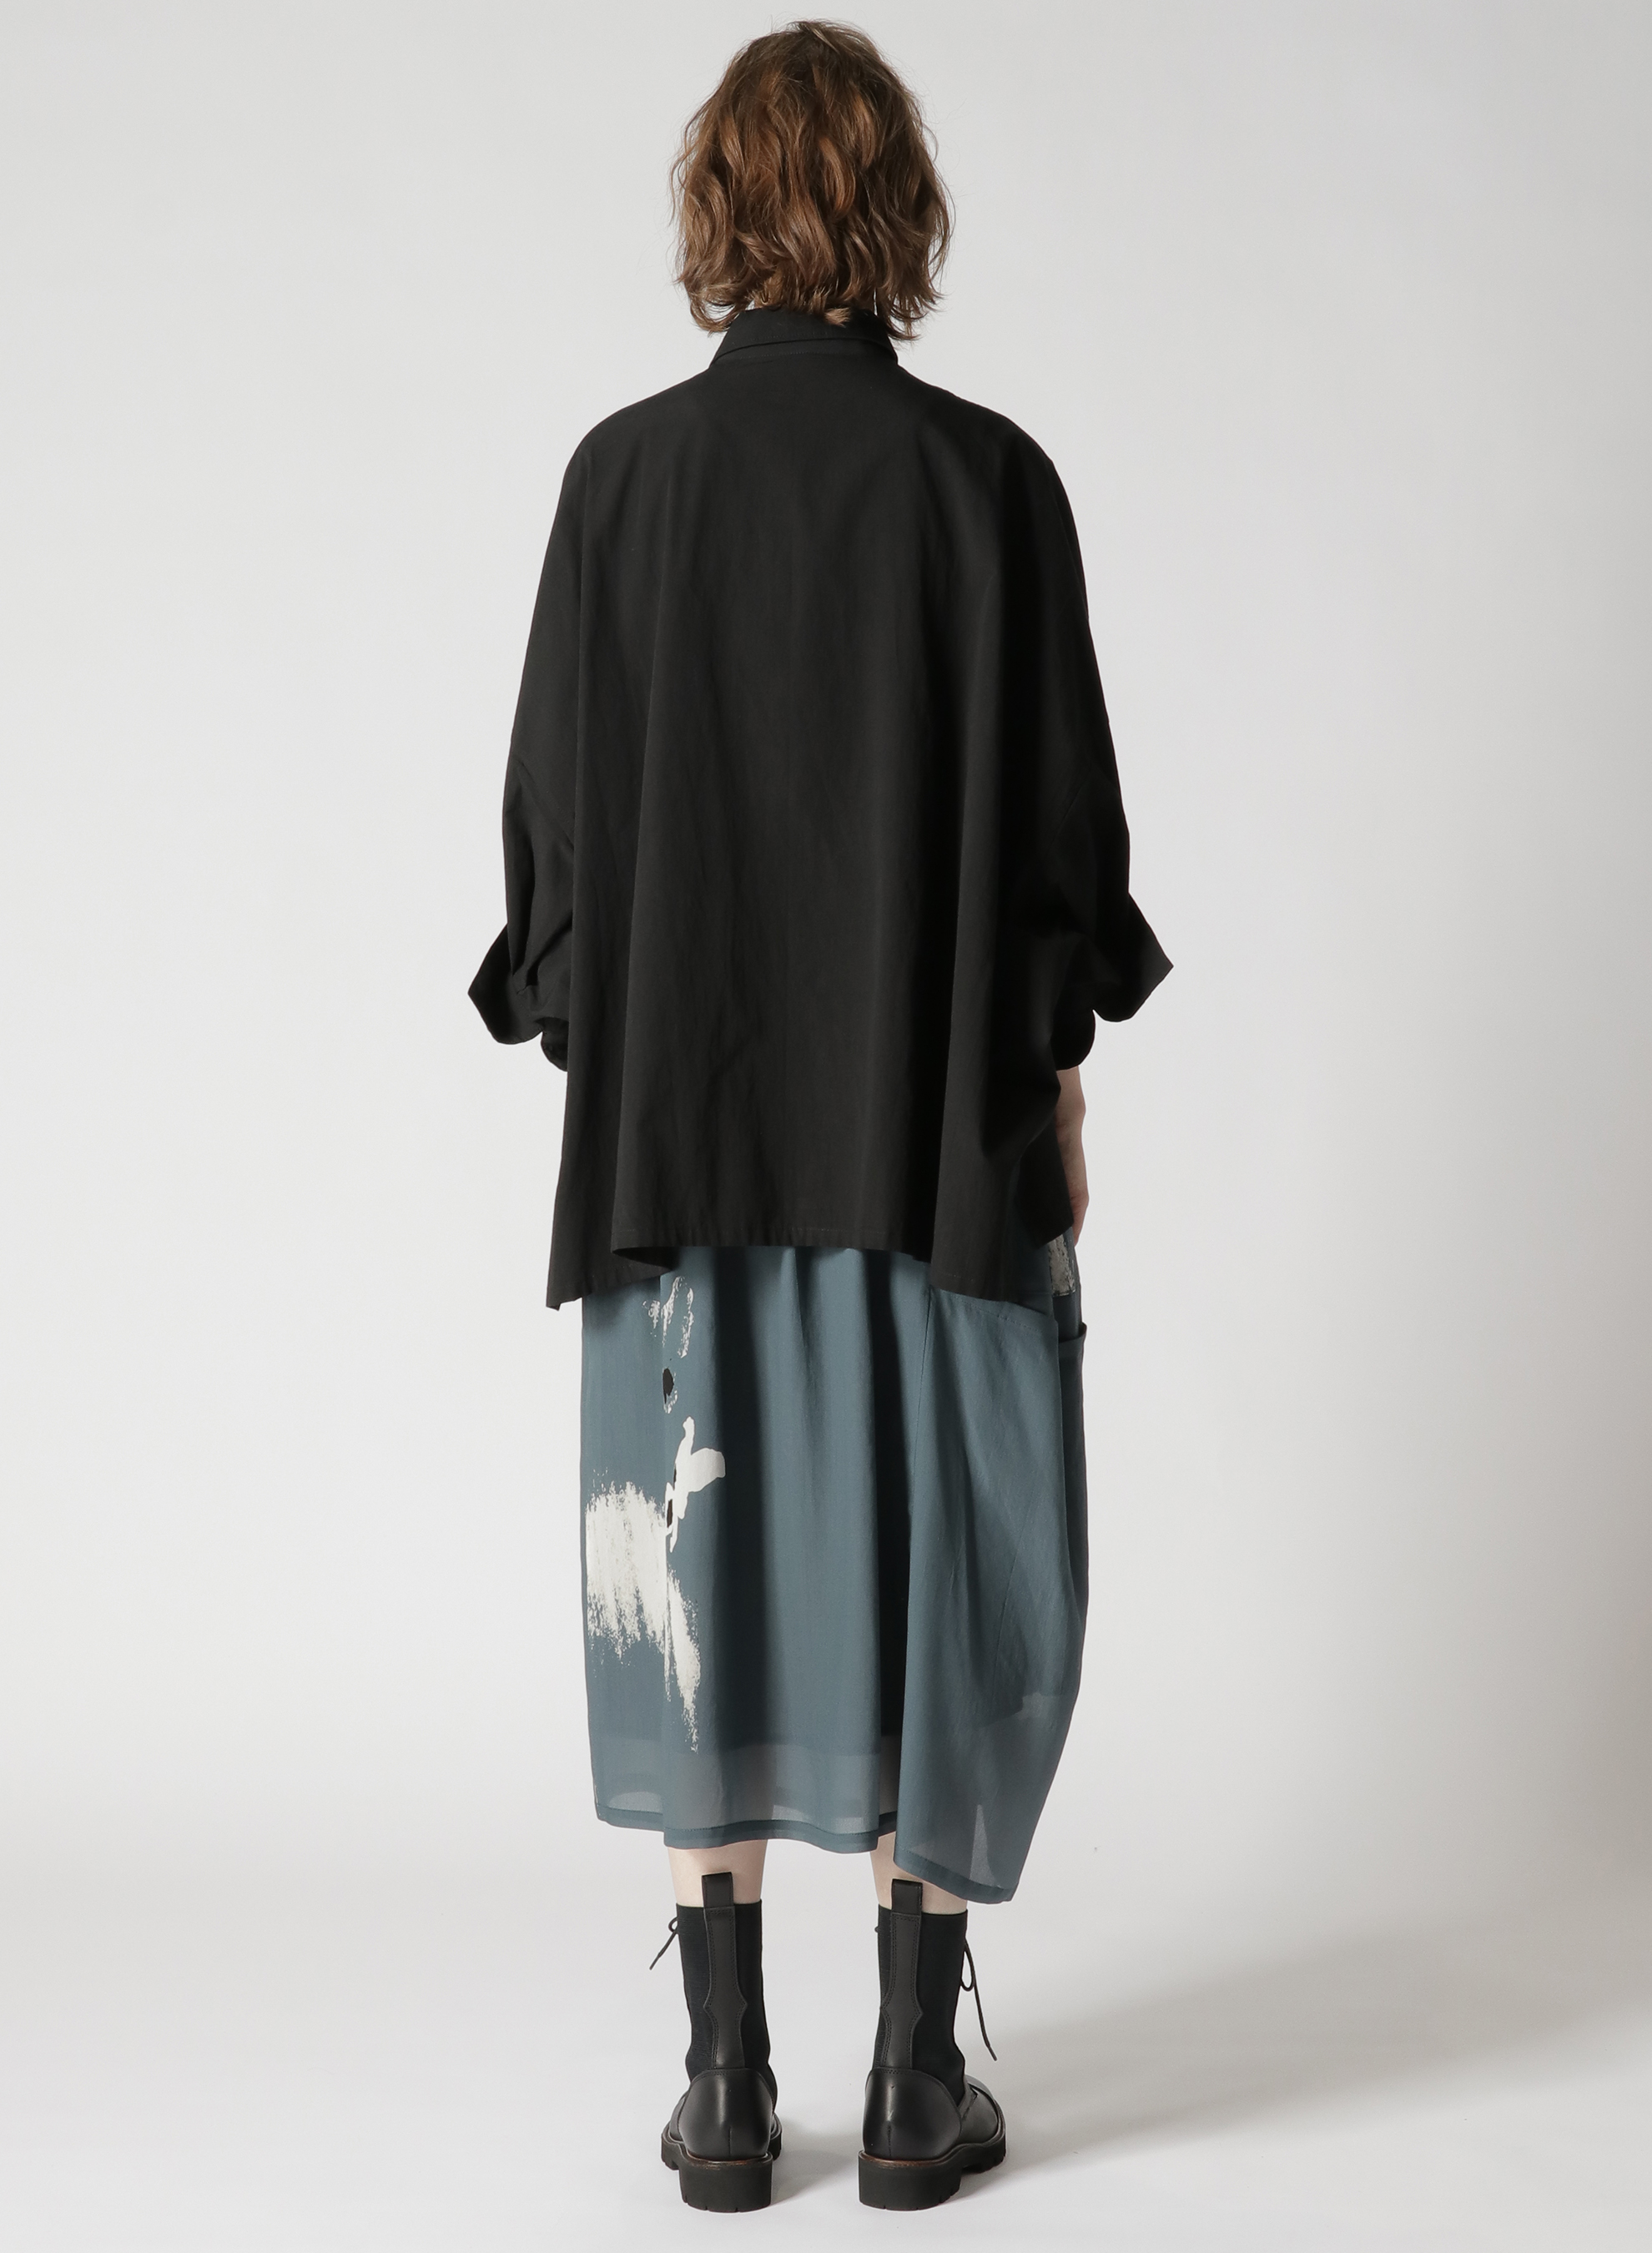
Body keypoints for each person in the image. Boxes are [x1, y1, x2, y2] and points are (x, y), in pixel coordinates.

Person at [471, 19, 1169, 2213]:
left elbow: (556, 853)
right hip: (931, 1143)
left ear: (715, 211)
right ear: (900, 212)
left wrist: (637, 1060)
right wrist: (1052, 1085)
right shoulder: (988, 485)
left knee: (709, 1567)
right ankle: (907, 2082)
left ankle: (718, 2084)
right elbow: (1057, 851)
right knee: (944, 1566)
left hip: (683, 1158)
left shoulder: (620, 484)